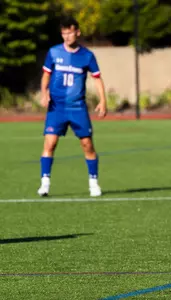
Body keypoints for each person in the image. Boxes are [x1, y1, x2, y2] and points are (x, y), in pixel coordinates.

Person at [38, 16, 107, 197]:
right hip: (56, 107)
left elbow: (97, 78)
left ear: (78, 32)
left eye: (70, 33)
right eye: (63, 33)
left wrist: (103, 100)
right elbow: (46, 75)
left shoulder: (87, 56)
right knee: (50, 142)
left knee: (87, 144)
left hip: (77, 108)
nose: (67, 37)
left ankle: (93, 183)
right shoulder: (53, 52)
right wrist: (44, 92)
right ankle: (45, 183)